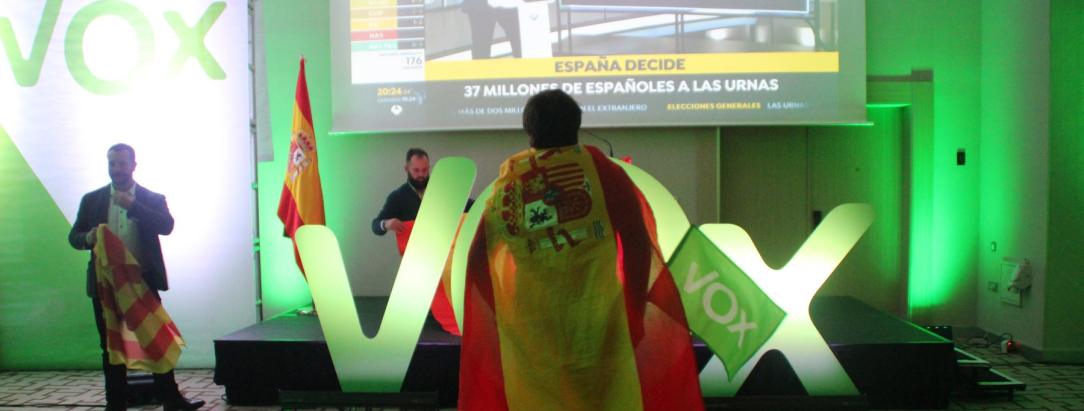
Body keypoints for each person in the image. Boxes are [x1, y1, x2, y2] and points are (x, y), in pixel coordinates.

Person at [458, 90, 704, 410]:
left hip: (533, 329)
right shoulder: (603, 173)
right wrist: (634, 310)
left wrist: (506, 319)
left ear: (529, 131)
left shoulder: (510, 186)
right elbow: (637, 244)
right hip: (599, 325)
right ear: (577, 125)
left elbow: (477, 263)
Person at [68, 144, 204, 411]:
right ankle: (115, 404)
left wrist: (135, 207)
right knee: (110, 346)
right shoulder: (92, 199)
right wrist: (88, 237)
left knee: (156, 342)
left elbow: (167, 226)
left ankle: (172, 400)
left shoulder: (151, 198)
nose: (116, 169)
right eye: (112, 164)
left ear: (133, 166)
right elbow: (74, 236)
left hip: (142, 284)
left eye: (121, 163)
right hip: (105, 285)